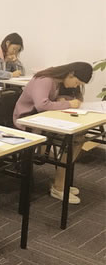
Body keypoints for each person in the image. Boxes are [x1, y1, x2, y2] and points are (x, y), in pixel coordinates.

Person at [13, 62, 93, 204]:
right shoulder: (45, 79)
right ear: (71, 74)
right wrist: (68, 104)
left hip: (43, 120)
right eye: (76, 82)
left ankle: (61, 182)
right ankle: (59, 186)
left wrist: (64, 100)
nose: (75, 86)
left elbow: (74, 98)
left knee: (79, 137)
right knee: (72, 140)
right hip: (27, 121)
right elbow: (42, 105)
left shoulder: (59, 80)